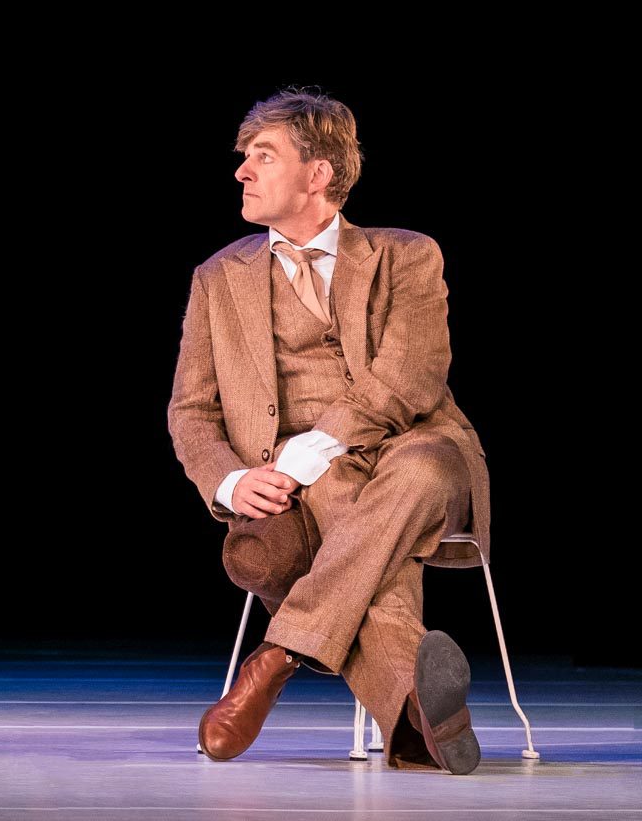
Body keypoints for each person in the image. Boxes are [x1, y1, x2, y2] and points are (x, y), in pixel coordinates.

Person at [167, 89, 491, 774]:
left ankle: (278, 652)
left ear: (318, 173)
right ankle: (415, 720)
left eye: (263, 156)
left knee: (416, 472)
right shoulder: (218, 278)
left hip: (418, 448)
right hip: (309, 483)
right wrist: (231, 479)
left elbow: (409, 378)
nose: (241, 171)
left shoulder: (407, 255)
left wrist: (310, 451)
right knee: (341, 502)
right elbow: (191, 411)